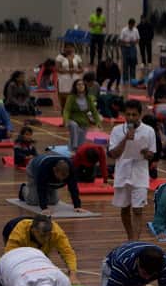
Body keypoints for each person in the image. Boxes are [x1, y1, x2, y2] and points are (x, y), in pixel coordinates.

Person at [109, 100, 157, 240]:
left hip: (140, 174)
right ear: (124, 114)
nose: (131, 117)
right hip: (122, 173)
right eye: (128, 114)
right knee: (124, 208)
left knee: (137, 209)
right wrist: (125, 139)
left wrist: (146, 153)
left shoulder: (149, 131)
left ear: (140, 115)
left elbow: (152, 155)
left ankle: (136, 240)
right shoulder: (117, 130)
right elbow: (113, 154)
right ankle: (130, 237)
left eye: (134, 115)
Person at [2, 215, 80, 285]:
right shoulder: (19, 233)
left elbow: (68, 253)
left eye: (48, 235)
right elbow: (9, 256)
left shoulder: (56, 232)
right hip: (10, 228)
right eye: (43, 236)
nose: (46, 239)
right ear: (33, 230)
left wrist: (73, 275)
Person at [18, 154, 84, 215]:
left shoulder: (72, 170)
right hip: (33, 169)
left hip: (49, 179)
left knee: (53, 201)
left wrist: (77, 206)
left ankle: (49, 188)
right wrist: (44, 208)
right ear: (54, 169)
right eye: (59, 177)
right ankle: (23, 189)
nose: (61, 180)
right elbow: (41, 188)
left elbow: (73, 188)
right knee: (33, 201)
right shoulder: (44, 168)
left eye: (64, 178)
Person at [62, 79, 101, 152]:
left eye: (82, 84)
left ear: (85, 86)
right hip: (72, 120)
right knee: (74, 126)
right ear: (75, 87)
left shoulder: (89, 98)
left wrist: (98, 122)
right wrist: (66, 120)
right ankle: (73, 148)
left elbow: (94, 111)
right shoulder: (71, 97)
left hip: (84, 122)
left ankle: (74, 149)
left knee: (80, 145)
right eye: (78, 84)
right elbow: (66, 110)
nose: (80, 86)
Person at [56, 43, 83, 109]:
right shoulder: (60, 57)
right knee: (64, 99)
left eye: (71, 47)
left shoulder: (77, 57)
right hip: (64, 80)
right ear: (64, 49)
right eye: (67, 47)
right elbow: (58, 69)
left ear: (73, 48)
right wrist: (68, 71)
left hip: (74, 79)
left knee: (75, 96)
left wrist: (76, 71)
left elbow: (81, 69)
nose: (69, 49)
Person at [120, 18, 140, 84]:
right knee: (125, 64)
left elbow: (138, 39)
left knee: (133, 63)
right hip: (125, 48)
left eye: (133, 25)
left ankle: (132, 79)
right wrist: (126, 42)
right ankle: (125, 79)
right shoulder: (124, 30)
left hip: (133, 48)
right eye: (131, 25)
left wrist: (134, 42)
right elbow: (121, 40)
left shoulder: (136, 30)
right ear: (129, 24)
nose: (132, 26)